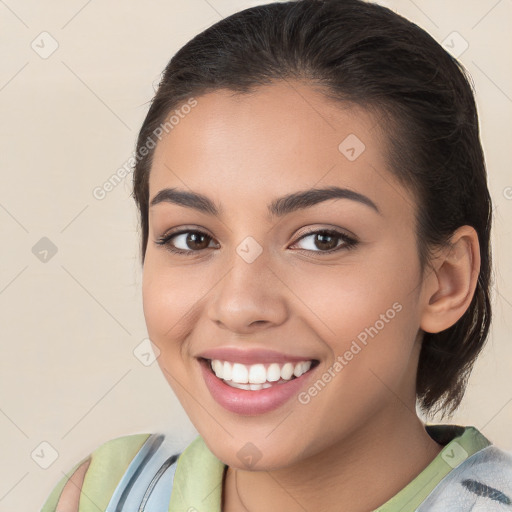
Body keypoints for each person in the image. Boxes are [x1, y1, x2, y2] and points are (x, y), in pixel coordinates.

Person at [41, 0, 512, 510]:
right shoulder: (105, 493)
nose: (239, 306)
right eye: (193, 238)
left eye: (322, 240)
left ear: (445, 280)